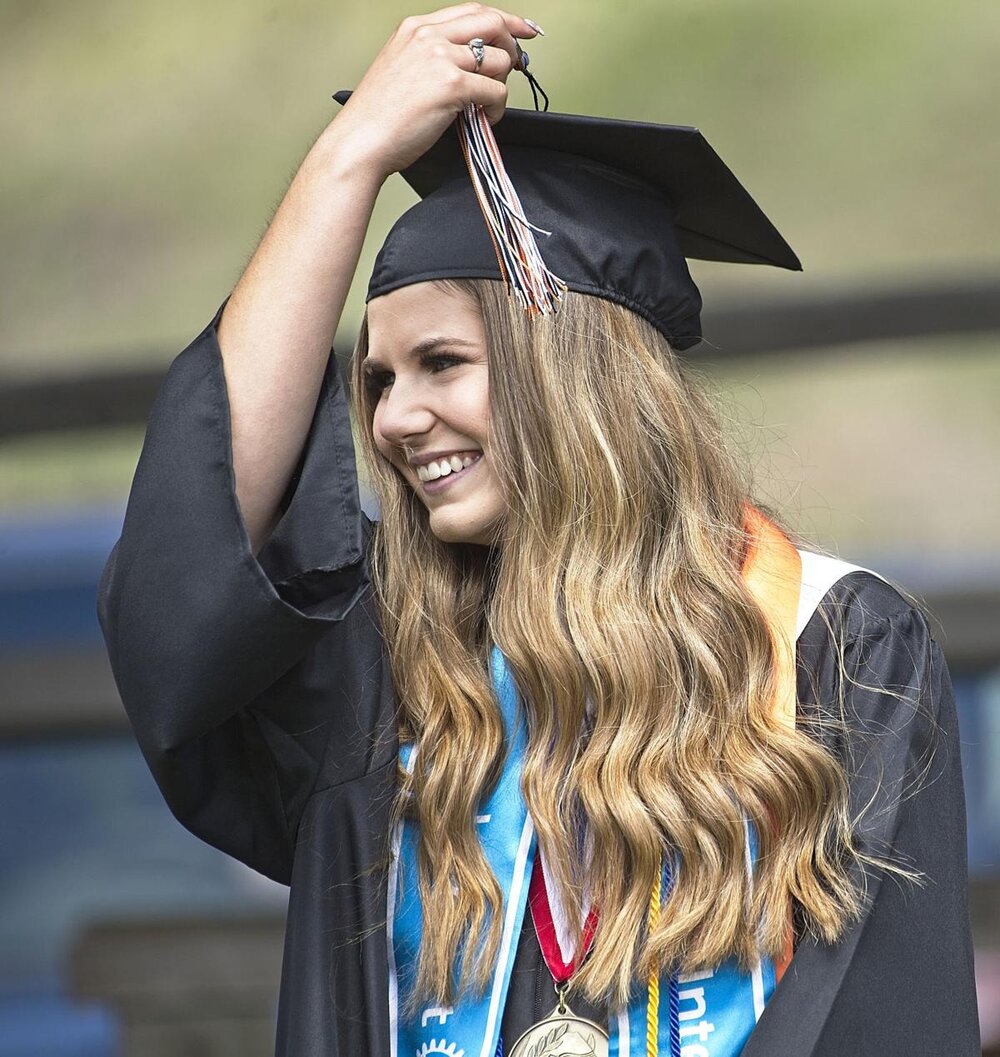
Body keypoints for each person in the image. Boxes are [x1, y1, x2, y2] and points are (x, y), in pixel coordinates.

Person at [98, 5, 980, 1055]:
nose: (391, 418)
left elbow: (873, 1013)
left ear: (572, 379)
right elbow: (189, 577)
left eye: (440, 365)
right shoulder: (391, 681)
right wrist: (348, 163)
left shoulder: (828, 647)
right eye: (375, 380)